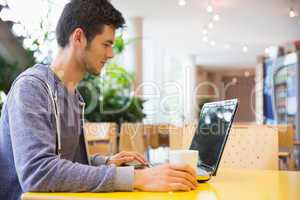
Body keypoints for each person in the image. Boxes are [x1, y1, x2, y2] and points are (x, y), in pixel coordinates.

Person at [0, 0, 198, 199]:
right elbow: (38, 173)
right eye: (106, 44)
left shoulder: (72, 95)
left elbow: (67, 162)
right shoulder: (32, 88)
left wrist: (106, 162)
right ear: (78, 37)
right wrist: (138, 178)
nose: (111, 54)